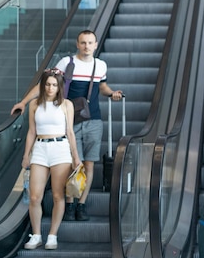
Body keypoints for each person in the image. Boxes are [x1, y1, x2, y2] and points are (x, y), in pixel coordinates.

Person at [11, 30, 123, 221]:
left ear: (96, 45)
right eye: (83, 43)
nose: (87, 46)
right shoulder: (67, 63)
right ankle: (69, 204)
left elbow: (101, 86)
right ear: (77, 44)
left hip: (93, 120)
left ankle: (82, 204)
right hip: (69, 122)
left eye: (90, 43)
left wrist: (111, 93)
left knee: (89, 164)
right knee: (73, 164)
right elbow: (46, 84)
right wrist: (23, 102)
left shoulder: (100, 65)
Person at [22, 69, 81, 250]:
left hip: (60, 149)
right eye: (47, 84)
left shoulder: (66, 105)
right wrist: (26, 154)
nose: (50, 88)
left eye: (54, 85)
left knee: (57, 195)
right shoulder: (34, 104)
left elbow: (70, 132)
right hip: (40, 148)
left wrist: (75, 157)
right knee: (34, 196)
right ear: (43, 85)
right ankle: (37, 234)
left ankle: (53, 235)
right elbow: (31, 131)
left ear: (59, 87)